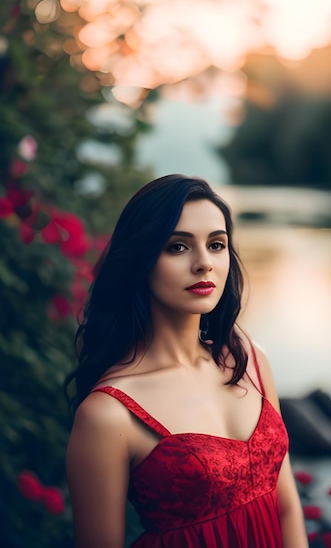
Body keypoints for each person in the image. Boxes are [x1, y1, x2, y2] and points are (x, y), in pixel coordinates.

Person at [66, 174, 308, 548]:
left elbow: (286, 506)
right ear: (140, 260)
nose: (204, 264)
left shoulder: (250, 360)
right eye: (178, 247)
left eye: (216, 244)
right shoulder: (107, 414)